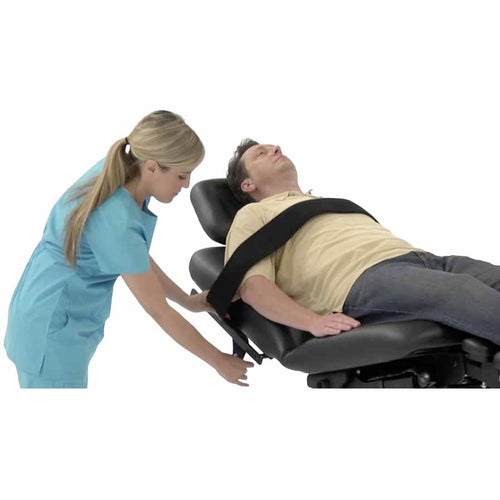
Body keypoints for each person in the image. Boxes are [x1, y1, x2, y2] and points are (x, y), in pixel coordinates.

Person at [4, 111, 253, 388]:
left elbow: (134, 256)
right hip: (50, 336)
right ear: (152, 166)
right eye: (181, 175)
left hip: (48, 310)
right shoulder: (116, 219)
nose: (186, 185)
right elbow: (158, 310)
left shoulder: (124, 171)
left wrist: (187, 300)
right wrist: (218, 361)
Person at [223, 138, 500, 345]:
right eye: (261, 153)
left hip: (423, 260)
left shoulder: (321, 203)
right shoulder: (253, 214)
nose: (276, 148)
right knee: (461, 291)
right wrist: (313, 322)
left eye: (272, 146)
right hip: (361, 280)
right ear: (248, 184)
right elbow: (253, 288)